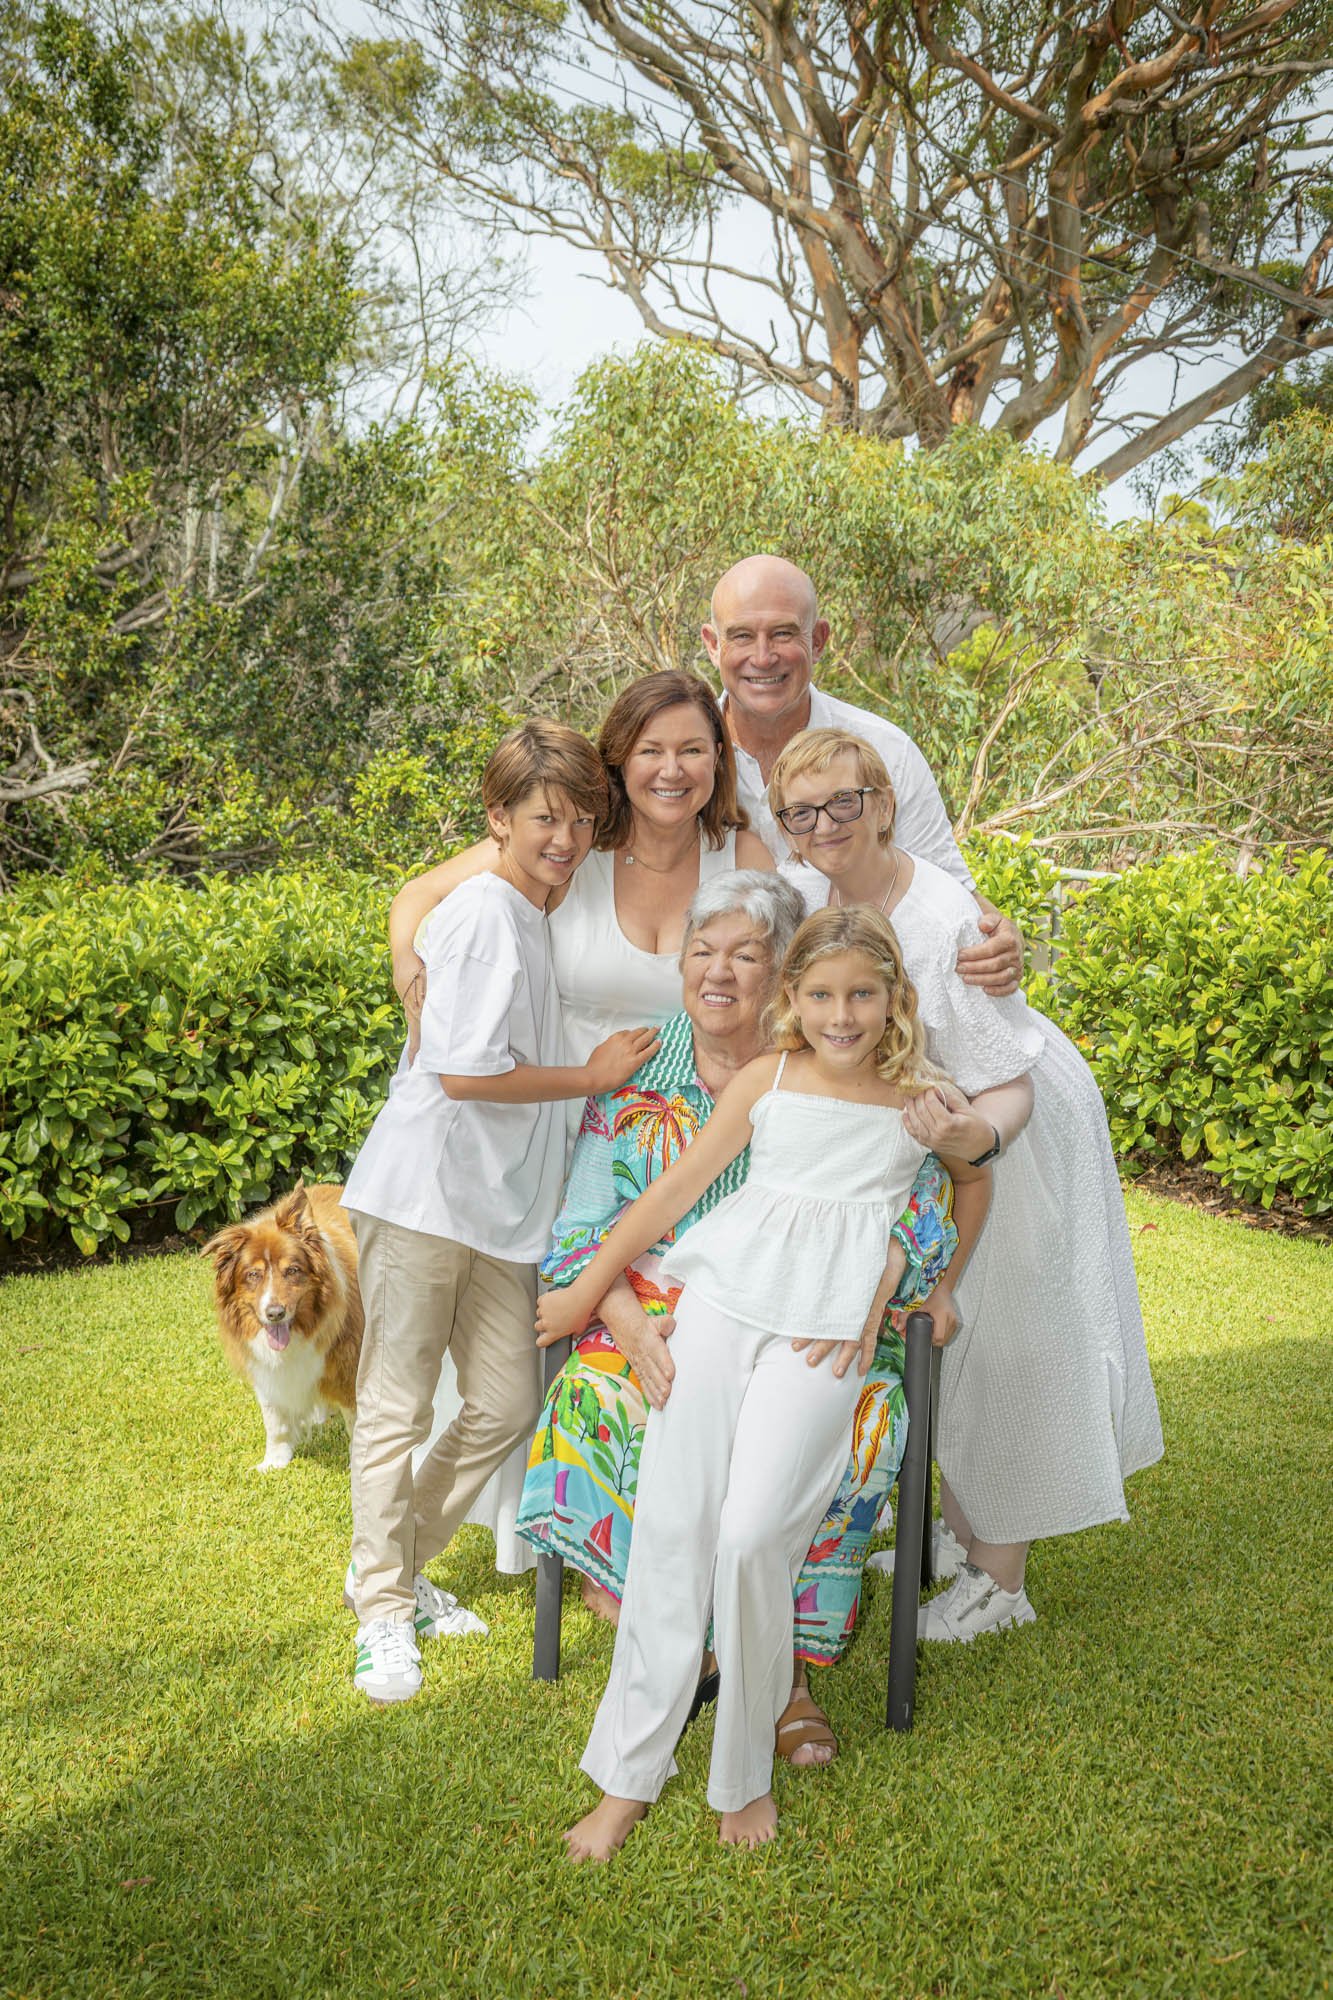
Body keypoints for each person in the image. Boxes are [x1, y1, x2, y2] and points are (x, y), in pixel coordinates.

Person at [536, 905, 991, 1859]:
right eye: (820, 995)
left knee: (749, 1537)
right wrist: (587, 1290)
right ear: (793, 997)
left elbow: (974, 1178)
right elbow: (671, 1192)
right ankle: (626, 1778)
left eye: (861, 995)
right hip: (724, 1302)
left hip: (824, 1333)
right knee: (674, 1523)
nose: (840, 1015)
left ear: (894, 999)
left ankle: (741, 1775)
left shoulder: (918, 1095)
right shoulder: (768, 1076)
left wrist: (937, 1280)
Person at [767, 727, 1165, 1642]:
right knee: (950, 1340)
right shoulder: (815, 894)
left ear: (882, 806)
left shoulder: (943, 918)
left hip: (1009, 1126)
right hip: (938, 1127)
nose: (824, 825)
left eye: (842, 803)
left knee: (1011, 1339)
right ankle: (956, 1533)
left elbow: (1007, 1081)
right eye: (802, 812)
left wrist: (974, 1142)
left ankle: (1000, 1582)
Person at [340, 721, 658, 1703]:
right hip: (427, 1194)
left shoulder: (529, 907)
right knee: (396, 1404)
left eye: (580, 820)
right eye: (544, 819)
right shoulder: (484, 912)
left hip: (500, 1208)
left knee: (505, 1404)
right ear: (498, 821)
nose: (565, 838)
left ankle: (394, 1566)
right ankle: (383, 1609)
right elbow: (464, 1073)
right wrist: (590, 1076)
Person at [389, 670, 774, 1059]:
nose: (672, 770)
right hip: (568, 1095)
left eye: (691, 750)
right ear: (620, 760)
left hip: (706, 1096)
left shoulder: (744, 861)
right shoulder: (571, 846)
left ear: (717, 757)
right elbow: (420, 893)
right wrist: (407, 969)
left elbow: (775, 1001)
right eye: (650, 751)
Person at [702, 553, 1025, 997]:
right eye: (742, 635)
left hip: (868, 1013)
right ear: (712, 645)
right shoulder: (681, 761)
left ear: (819, 640)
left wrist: (1002, 937)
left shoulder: (886, 751)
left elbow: (948, 888)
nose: (763, 656)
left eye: (783, 633)